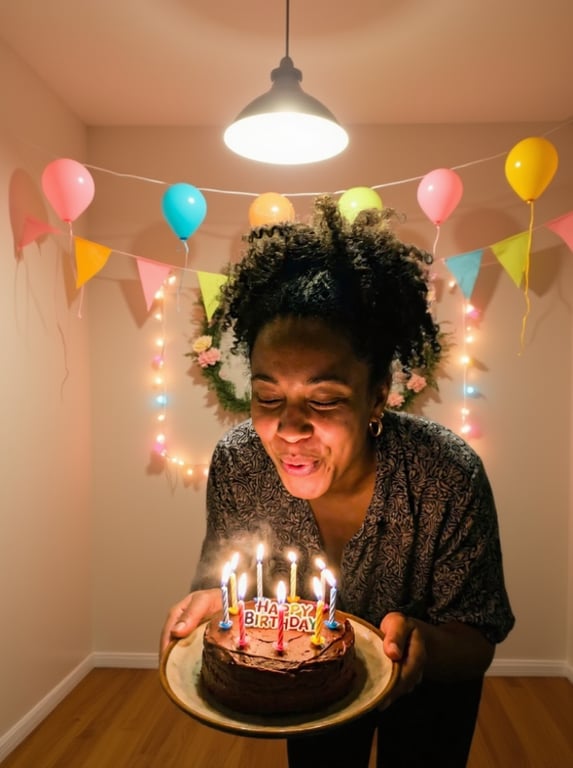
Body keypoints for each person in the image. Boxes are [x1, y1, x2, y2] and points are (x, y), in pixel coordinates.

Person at [160, 195, 514, 767]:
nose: (289, 429)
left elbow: (478, 636)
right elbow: (229, 593)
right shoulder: (240, 463)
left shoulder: (446, 474)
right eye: (268, 397)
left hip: (431, 696)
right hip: (306, 689)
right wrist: (206, 605)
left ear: (377, 397)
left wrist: (425, 648)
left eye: (324, 400)